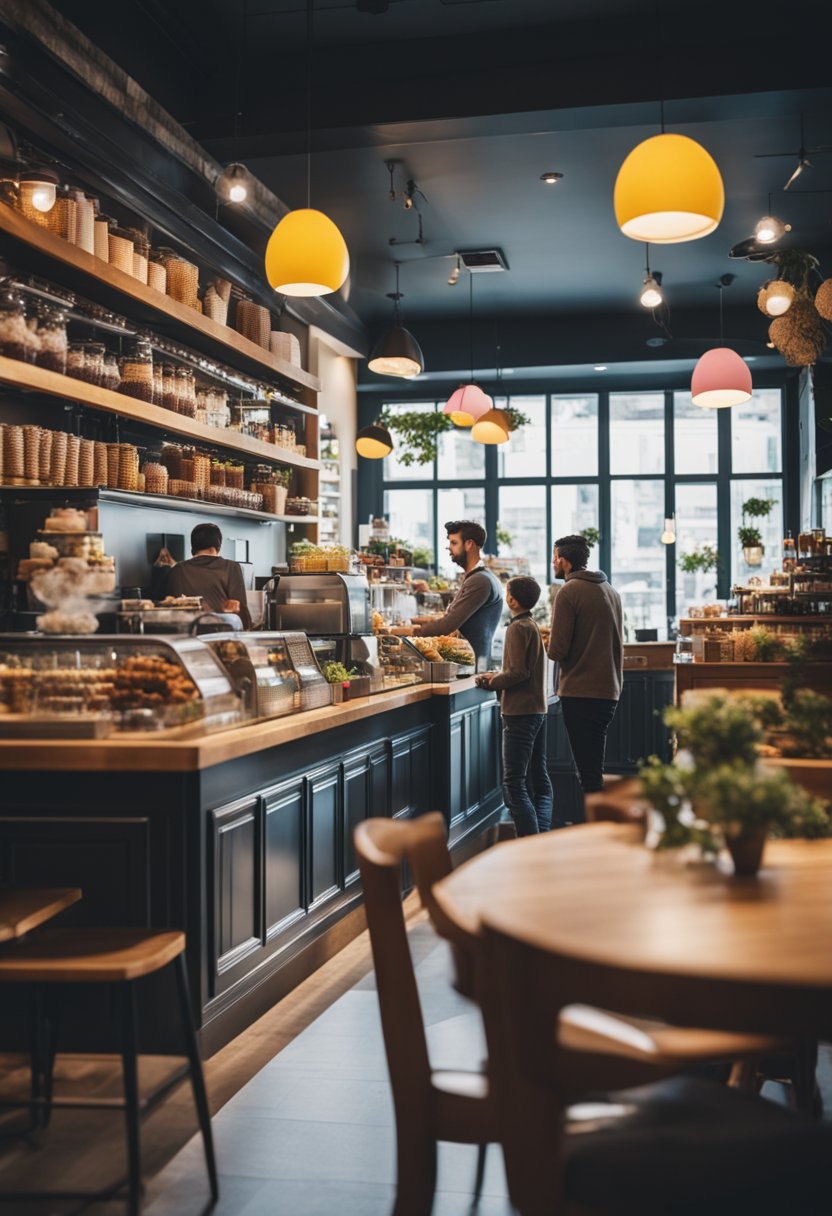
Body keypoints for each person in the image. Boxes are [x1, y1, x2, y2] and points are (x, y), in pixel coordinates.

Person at [547, 533, 623, 795]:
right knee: (593, 769)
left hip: (581, 692)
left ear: (565, 561)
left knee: (589, 775)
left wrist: (538, 639)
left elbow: (558, 649)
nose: (552, 562)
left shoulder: (569, 591)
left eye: (554, 557)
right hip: (608, 690)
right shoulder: (609, 589)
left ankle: (597, 830)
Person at [477, 576, 552, 836]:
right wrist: (499, 675)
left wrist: (492, 681)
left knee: (514, 785)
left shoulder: (517, 628)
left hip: (520, 712)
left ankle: (529, 845)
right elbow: (521, 669)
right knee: (538, 778)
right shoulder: (531, 625)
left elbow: (518, 672)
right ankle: (540, 837)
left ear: (512, 599)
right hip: (537, 709)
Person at [412, 520, 502, 668]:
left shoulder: (480, 581)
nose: (449, 548)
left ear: (469, 544)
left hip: (472, 668)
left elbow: (448, 624)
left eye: (454, 543)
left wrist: (412, 633)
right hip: (471, 664)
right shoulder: (481, 577)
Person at [166, 523, 252, 629]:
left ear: (193, 547)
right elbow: (241, 612)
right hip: (221, 638)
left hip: (184, 638)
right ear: (218, 545)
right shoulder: (231, 567)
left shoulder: (176, 570)